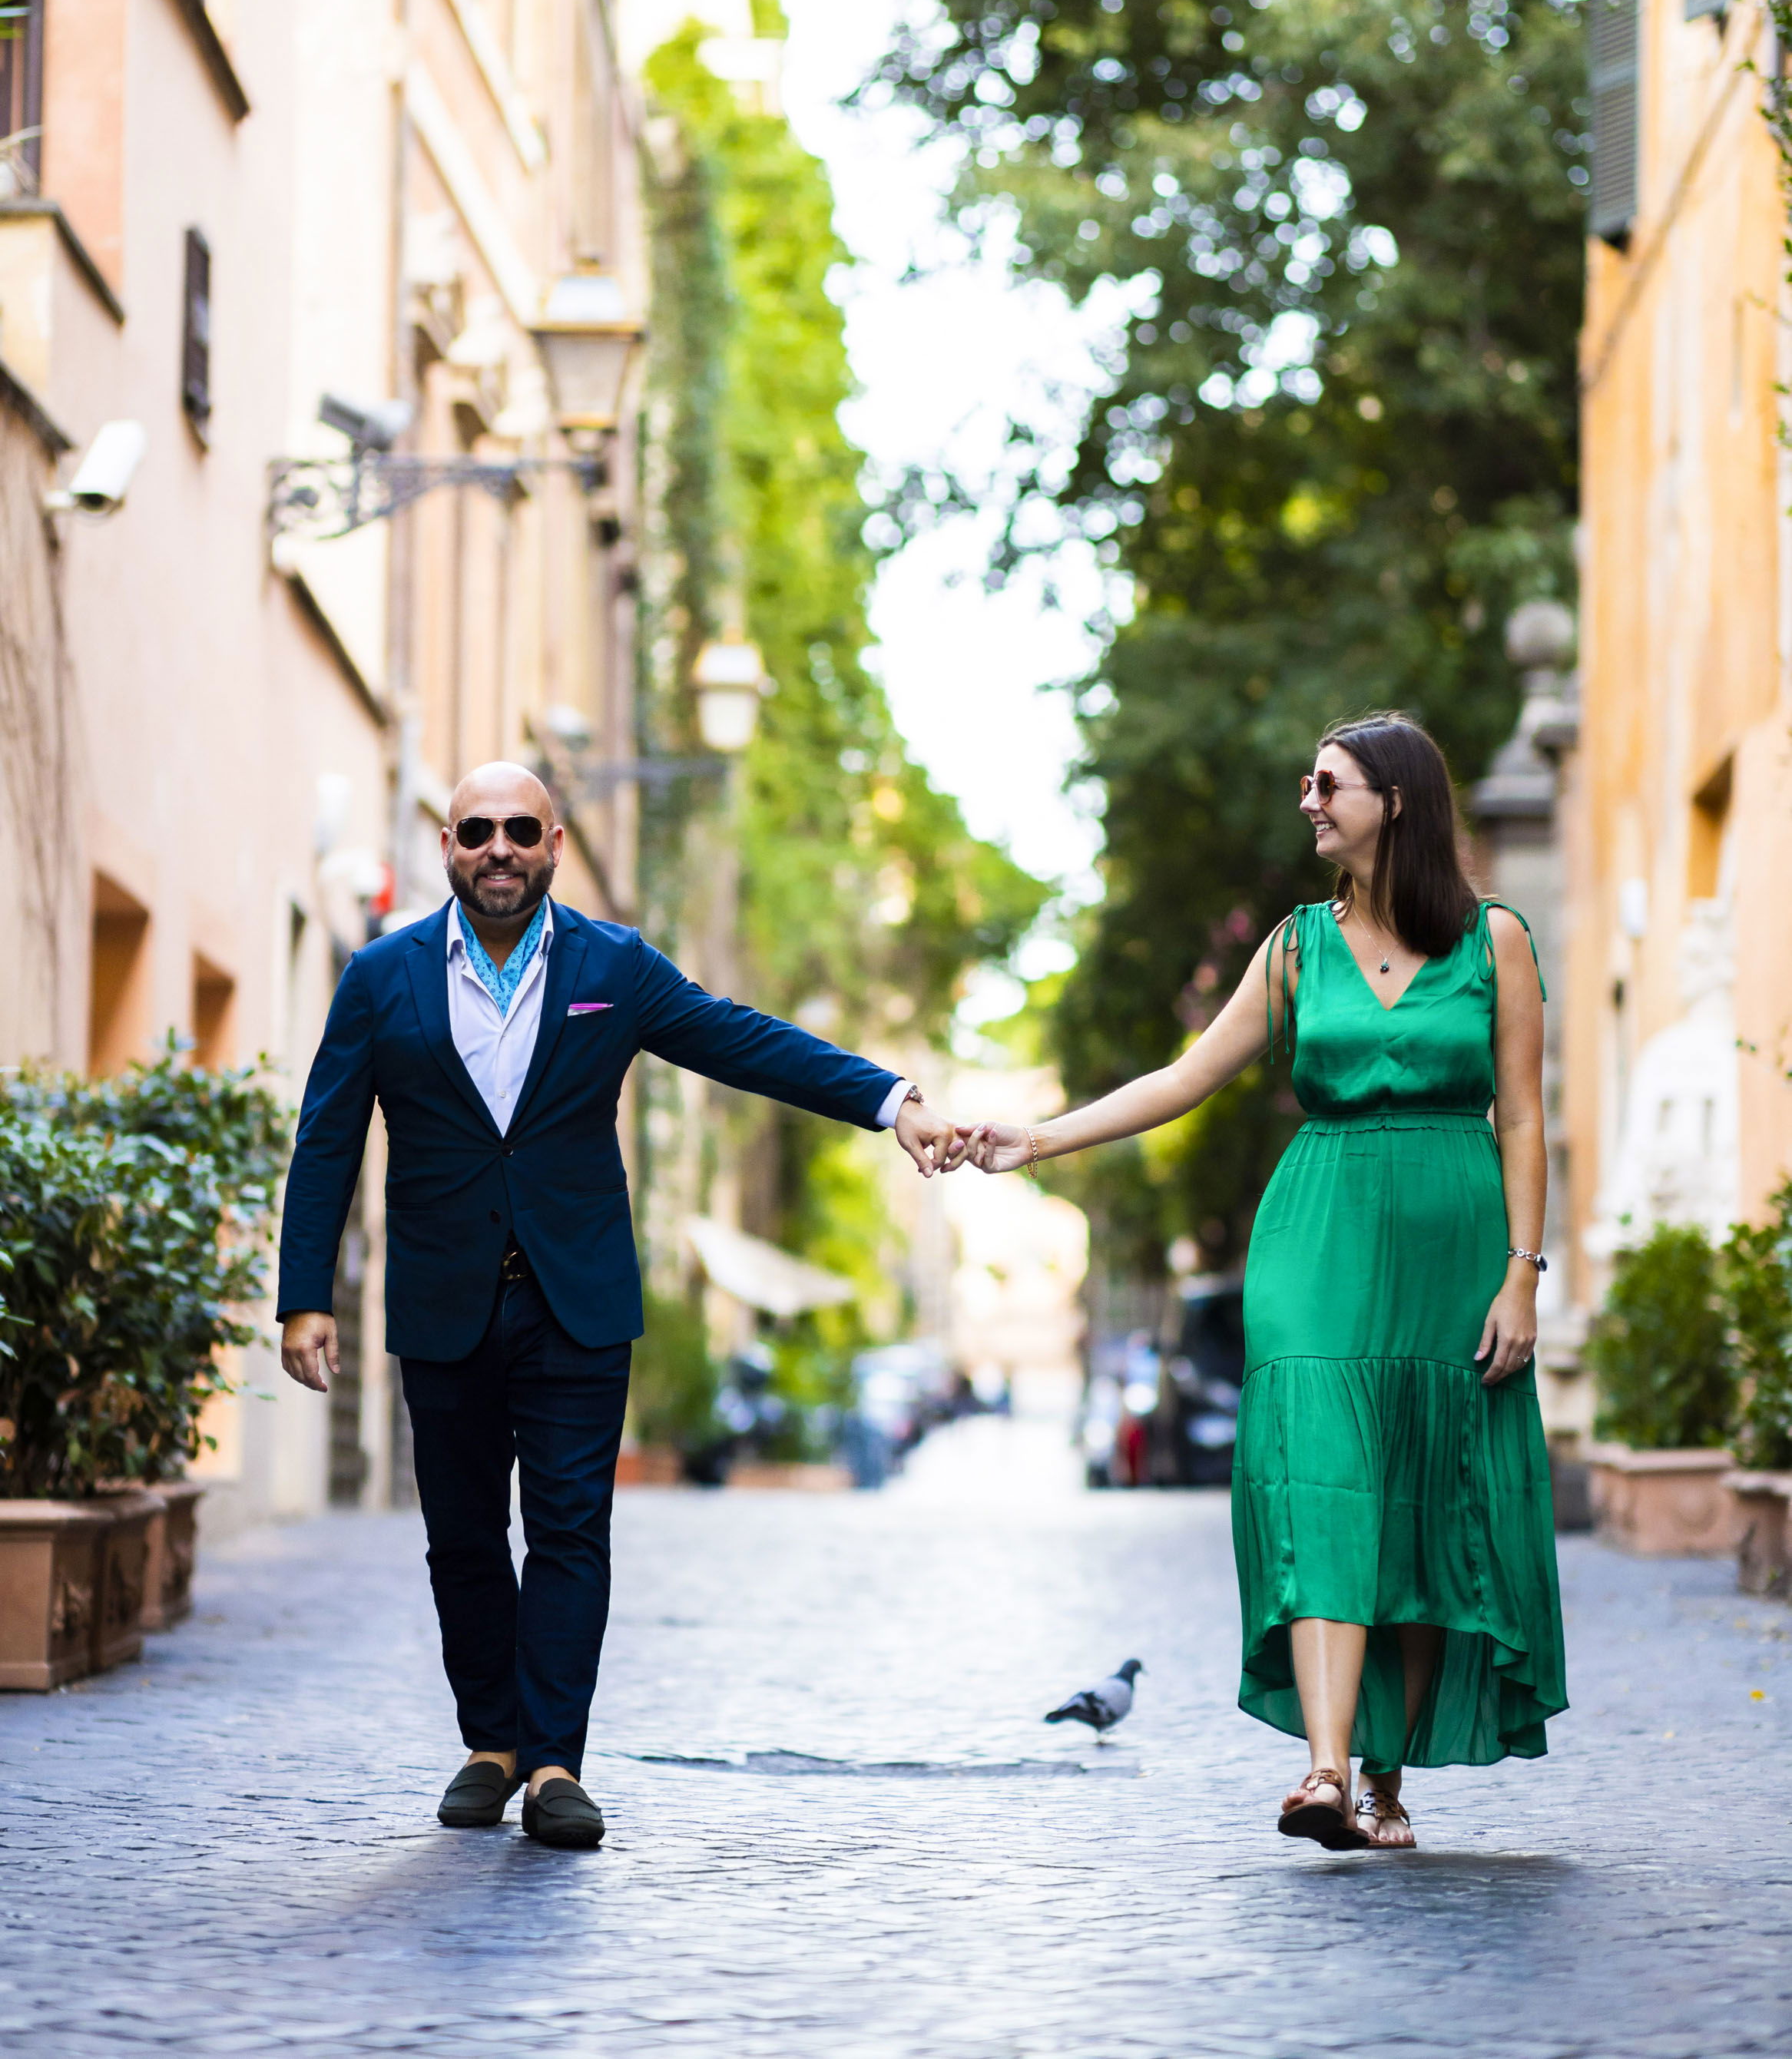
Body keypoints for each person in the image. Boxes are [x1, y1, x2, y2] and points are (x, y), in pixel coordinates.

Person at [278, 761, 965, 1849]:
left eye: (518, 830)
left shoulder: (612, 967)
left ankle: (553, 1764)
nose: (496, 848)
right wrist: (303, 1296)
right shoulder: (379, 976)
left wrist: (889, 1101)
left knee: (567, 1535)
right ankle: (490, 1741)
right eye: (473, 832)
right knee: (461, 1536)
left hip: (575, 1300)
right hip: (443, 1299)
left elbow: (738, 1038)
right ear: (445, 846)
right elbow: (326, 1135)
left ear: (553, 845)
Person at [959, 711, 1566, 1850]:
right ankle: (1325, 1771)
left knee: (1424, 1497)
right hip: (1317, 1240)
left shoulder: (1497, 941)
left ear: (1394, 801)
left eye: (1327, 783)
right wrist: (1035, 1139)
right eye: (1306, 781)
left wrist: (1521, 1275)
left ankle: (1386, 1775)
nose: (1308, 799)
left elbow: (1525, 1117)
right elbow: (1187, 1076)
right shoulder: (1295, 946)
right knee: (1321, 1482)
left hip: (1452, 1246)